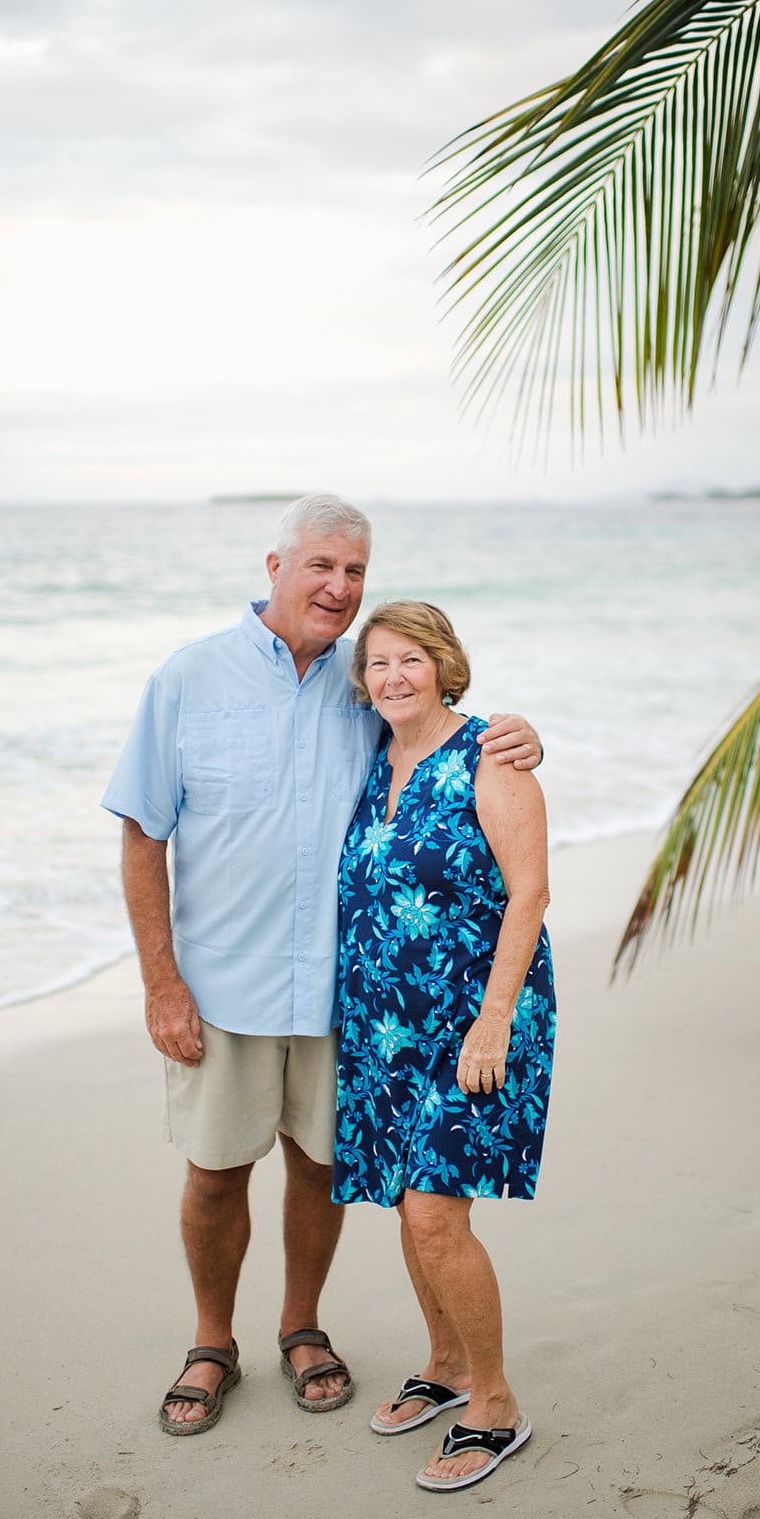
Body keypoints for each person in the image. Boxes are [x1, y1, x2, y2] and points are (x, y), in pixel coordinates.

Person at [100, 495, 543, 1436]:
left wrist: (521, 734)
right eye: (321, 567)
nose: (338, 588)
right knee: (216, 1172)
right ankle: (212, 1341)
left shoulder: (365, 681)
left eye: (354, 572)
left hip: (351, 994)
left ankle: (302, 1327)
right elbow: (143, 833)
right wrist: (160, 981)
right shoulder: (190, 676)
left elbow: (445, 745)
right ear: (275, 566)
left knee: (323, 1168)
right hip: (221, 985)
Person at [332, 601, 555, 1492]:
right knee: (404, 1204)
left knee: (434, 1212)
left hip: (475, 1020)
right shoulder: (369, 758)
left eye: (411, 660)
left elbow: (530, 894)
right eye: (377, 663)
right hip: (382, 1026)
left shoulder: (490, 756)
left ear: (444, 665)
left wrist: (494, 1017)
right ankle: (447, 1363)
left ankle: (493, 1404)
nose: (393, 677)